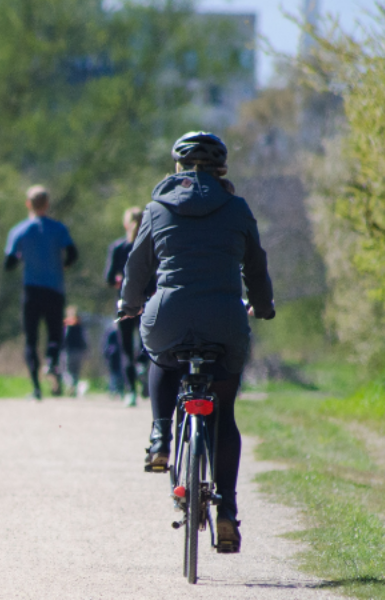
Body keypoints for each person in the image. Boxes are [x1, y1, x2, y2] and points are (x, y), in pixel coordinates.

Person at [118, 132, 275, 553]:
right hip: (224, 320)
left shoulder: (156, 208)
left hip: (169, 316)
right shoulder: (237, 208)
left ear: (178, 168)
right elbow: (256, 267)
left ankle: (160, 437)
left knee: (161, 356)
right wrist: (263, 306)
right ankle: (226, 511)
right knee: (224, 413)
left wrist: (128, 305)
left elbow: (136, 267)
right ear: (221, 170)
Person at [4, 185, 78, 400]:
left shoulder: (19, 230)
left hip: (31, 290)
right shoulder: (59, 229)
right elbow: (73, 253)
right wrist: (63, 265)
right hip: (54, 289)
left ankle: (36, 388)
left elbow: (9, 263)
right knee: (55, 334)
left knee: (31, 339)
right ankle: (51, 361)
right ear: (47, 204)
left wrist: (22, 257)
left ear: (28, 204)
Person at [104, 207, 146, 407]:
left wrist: (119, 280)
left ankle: (131, 392)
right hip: (147, 302)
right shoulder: (150, 246)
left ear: (125, 224)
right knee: (147, 343)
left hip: (125, 304)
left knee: (126, 350)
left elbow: (109, 278)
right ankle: (143, 366)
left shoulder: (118, 247)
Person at [61, 305, 88, 396]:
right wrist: (85, 349)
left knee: (67, 371)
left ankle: (72, 385)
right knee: (76, 371)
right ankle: (74, 388)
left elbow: (63, 338)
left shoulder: (66, 324)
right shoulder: (80, 325)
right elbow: (84, 338)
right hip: (78, 351)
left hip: (69, 351)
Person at [101, 325, 124, 398]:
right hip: (112, 358)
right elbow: (105, 346)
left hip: (120, 358)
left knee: (119, 374)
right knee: (114, 375)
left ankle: (119, 390)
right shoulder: (111, 333)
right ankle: (114, 390)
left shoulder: (121, 332)